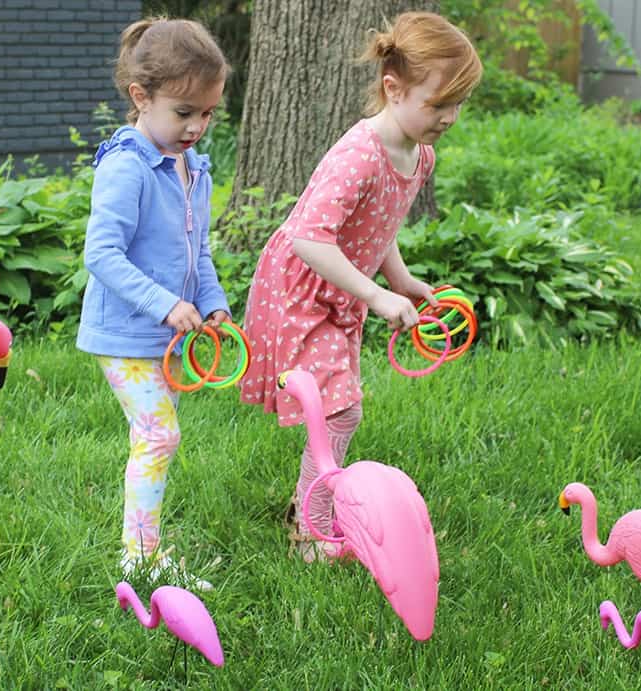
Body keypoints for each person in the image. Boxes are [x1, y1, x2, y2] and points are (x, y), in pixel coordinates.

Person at [239, 12, 482, 562]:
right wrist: (374, 295)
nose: (449, 117)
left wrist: (399, 278)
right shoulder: (358, 154)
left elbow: (379, 223)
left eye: (457, 104)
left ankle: (316, 506)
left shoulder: (420, 155)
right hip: (301, 291)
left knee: (337, 407)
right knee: (341, 410)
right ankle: (312, 528)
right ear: (393, 89)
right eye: (438, 103)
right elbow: (309, 239)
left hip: (339, 290)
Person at [77, 17, 231, 589]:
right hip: (124, 333)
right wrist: (165, 303)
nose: (197, 127)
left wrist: (211, 302)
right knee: (159, 435)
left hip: (164, 335)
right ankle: (139, 555)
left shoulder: (194, 167)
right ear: (141, 97)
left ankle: (144, 548)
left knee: (157, 435)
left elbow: (200, 250)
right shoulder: (128, 165)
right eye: (184, 112)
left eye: (208, 113)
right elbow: (102, 254)